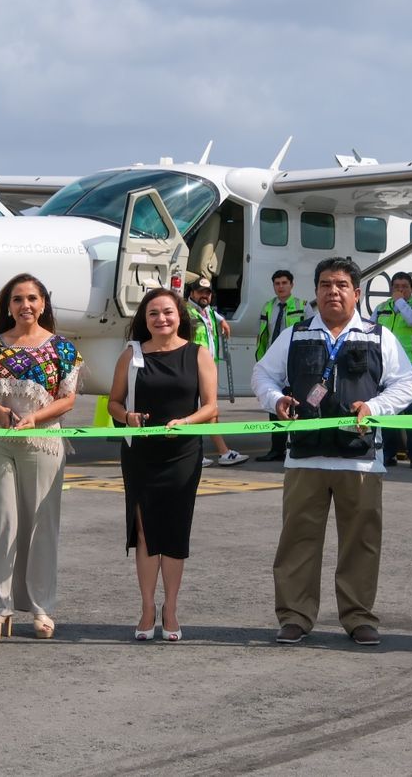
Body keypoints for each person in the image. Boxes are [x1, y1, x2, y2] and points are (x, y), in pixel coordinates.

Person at [252, 257, 412, 646]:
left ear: (356, 293)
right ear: (316, 291)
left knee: (361, 541)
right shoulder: (295, 335)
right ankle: (294, 616)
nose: (333, 291)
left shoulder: (378, 337)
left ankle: (358, 616)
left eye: (342, 285)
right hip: (304, 458)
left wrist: (375, 408)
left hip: (360, 458)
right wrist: (276, 400)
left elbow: (405, 384)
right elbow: (262, 374)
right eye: (326, 284)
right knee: (297, 540)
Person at [0, 274, 79, 641]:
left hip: (43, 442)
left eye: (32, 298)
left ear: (43, 303)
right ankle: (0, 609)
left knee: (41, 524)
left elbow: (68, 399)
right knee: (1, 521)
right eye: (17, 299)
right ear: (8, 306)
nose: (25, 305)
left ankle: (41, 607)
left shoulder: (62, 349)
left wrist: (35, 417)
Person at [106, 287, 219, 641]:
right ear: (145, 319)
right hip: (140, 453)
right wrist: (128, 416)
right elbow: (113, 402)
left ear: (179, 315)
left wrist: (186, 423)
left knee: (174, 530)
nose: (161, 319)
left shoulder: (199, 354)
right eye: (153, 313)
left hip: (183, 453)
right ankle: (146, 607)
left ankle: (170, 606)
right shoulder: (132, 354)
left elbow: (211, 407)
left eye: (167, 312)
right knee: (144, 531)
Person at [186, 277, 246, 467]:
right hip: (192, 367)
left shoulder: (208, 312)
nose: (204, 295)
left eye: (208, 292)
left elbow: (213, 315)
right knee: (200, 410)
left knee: (208, 409)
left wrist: (223, 321)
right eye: (200, 292)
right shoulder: (185, 312)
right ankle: (214, 452)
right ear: (192, 293)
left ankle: (219, 452)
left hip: (208, 368)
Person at [373, 271, 412, 469]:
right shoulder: (381, 309)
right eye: (396, 287)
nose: (400, 290)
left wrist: (400, 303)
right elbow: (371, 330)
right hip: (387, 365)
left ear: (411, 289)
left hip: (411, 364)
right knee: (388, 409)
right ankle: (389, 453)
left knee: (411, 410)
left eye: (404, 286)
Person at [255, 269, 306, 463]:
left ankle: (299, 445)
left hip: (296, 362)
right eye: (277, 283)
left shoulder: (302, 306)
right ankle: (276, 449)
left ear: (291, 285)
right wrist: (261, 361)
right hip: (275, 362)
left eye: (284, 283)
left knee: (300, 404)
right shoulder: (267, 307)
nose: (281, 287)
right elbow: (262, 336)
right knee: (274, 405)